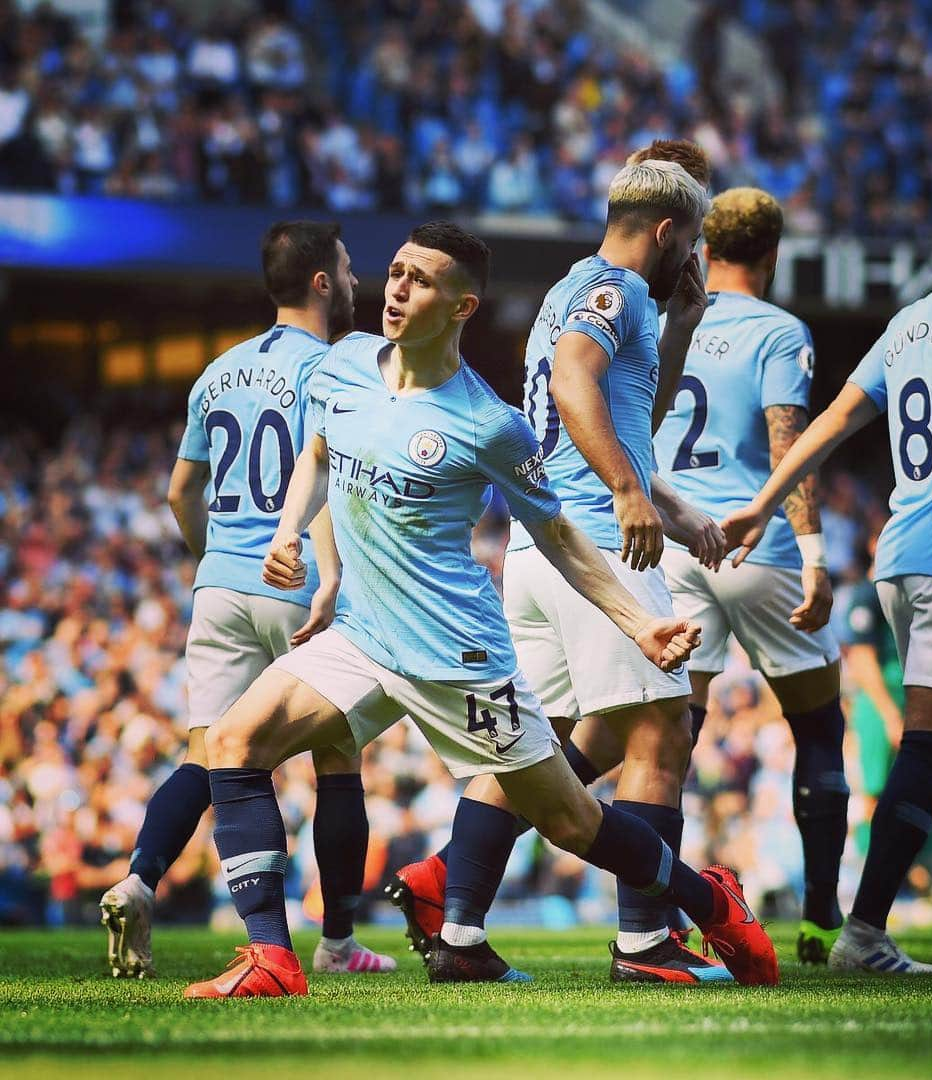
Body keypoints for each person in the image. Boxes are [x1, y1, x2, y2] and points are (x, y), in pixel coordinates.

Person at [183, 220, 778, 999]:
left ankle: (709, 903)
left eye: (421, 281)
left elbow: (559, 532)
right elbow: (322, 450)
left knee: (574, 824)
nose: (397, 290)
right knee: (233, 742)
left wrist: (639, 624)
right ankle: (271, 958)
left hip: (459, 659)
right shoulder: (344, 363)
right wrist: (295, 534)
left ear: (462, 307)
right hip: (364, 637)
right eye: (395, 273)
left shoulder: (490, 424)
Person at [388, 146, 730, 987]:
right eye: (690, 242)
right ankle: (646, 945)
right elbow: (579, 378)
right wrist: (626, 491)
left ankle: (458, 926)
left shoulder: (571, 289)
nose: (691, 258)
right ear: (668, 231)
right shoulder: (615, 294)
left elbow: (629, 409)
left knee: (538, 749)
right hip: (595, 542)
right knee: (661, 731)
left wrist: (680, 326)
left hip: (539, 547)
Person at [722, 182, 932, 974]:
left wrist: (761, 504)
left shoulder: (912, 320)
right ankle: (865, 932)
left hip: (902, 554)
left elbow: (834, 420)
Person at [99, 221, 395, 979]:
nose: (359, 281)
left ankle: (140, 877)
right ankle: (334, 944)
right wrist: (325, 576)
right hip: (295, 582)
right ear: (323, 281)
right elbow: (327, 485)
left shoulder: (216, 371)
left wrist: (213, 561)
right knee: (336, 756)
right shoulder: (335, 368)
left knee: (208, 755)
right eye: (350, 268)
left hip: (222, 586)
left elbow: (177, 490)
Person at [649, 186, 848, 964]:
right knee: (819, 729)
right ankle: (823, 922)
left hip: (672, 543)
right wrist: (815, 554)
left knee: (668, 741)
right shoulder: (778, 329)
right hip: (749, 542)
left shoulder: (672, 323)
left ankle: (655, 915)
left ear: (703, 251)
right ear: (772, 255)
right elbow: (787, 442)